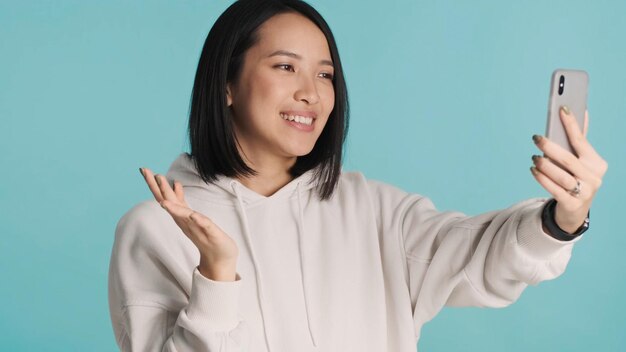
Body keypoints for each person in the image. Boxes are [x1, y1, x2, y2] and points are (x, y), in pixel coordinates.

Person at [107, 0, 608, 351]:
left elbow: (478, 253)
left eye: (325, 74)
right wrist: (215, 274)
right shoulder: (155, 230)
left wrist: (561, 218)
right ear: (226, 86)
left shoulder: (374, 211)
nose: (312, 93)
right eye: (285, 67)